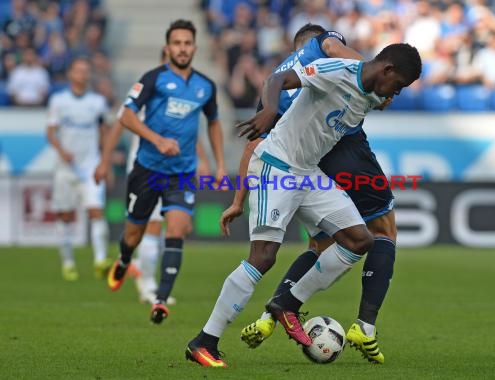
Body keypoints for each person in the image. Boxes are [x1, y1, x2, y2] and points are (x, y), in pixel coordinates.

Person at [185, 43, 422, 367]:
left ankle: (287, 304)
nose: (394, 94)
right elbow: (277, 80)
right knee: (263, 257)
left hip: (308, 173)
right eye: (397, 85)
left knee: (359, 239)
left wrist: (382, 98)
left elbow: (371, 95)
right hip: (277, 165)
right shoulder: (337, 72)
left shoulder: (373, 94)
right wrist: (269, 110)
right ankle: (204, 341)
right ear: (387, 70)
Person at [227, 24, 395, 364]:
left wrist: (237, 201)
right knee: (383, 232)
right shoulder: (325, 49)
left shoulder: (273, 88)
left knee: (319, 245)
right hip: (344, 149)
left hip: (307, 163)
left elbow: (255, 145)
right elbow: (335, 50)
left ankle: (270, 315)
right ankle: (365, 326)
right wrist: (377, 78)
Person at [106, 19, 227, 323]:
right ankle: (123, 259)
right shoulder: (153, 79)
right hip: (147, 169)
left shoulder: (205, 86)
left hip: (181, 172)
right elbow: (126, 115)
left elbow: (213, 122)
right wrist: (157, 140)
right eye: (177, 43)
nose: (183, 48)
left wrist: (219, 164)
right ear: (167, 47)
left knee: (177, 229)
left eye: (187, 43)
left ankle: (160, 300)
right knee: (133, 234)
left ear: (195, 47)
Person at [94, 49, 212, 305]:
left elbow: (190, 133)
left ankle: (146, 280)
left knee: (170, 227)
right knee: (141, 230)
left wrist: (202, 159)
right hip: (145, 168)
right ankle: (136, 270)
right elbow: (119, 124)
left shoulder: (184, 95)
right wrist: (104, 160)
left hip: (176, 170)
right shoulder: (147, 88)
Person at [46, 56, 111, 281]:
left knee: (96, 211)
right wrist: (61, 150)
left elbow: (105, 131)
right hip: (65, 168)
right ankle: (68, 262)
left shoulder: (97, 102)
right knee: (64, 215)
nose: (82, 74)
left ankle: (100, 260)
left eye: (86, 70)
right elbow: (50, 131)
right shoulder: (59, 100)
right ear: (70, 74)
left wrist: (105, 161)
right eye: (78, 70)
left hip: (90, 166)